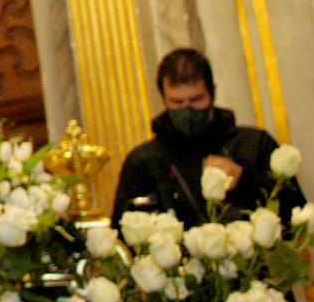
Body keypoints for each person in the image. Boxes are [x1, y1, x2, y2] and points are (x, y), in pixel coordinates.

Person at [111, 47, 303, 226]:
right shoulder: (144, 162)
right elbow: (125, 232)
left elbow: (295, 216)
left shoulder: (255, 144)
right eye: (177, 102)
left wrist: (245, 180)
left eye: (196, 99)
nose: (187, 110)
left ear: (212, 94)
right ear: (164, 99)